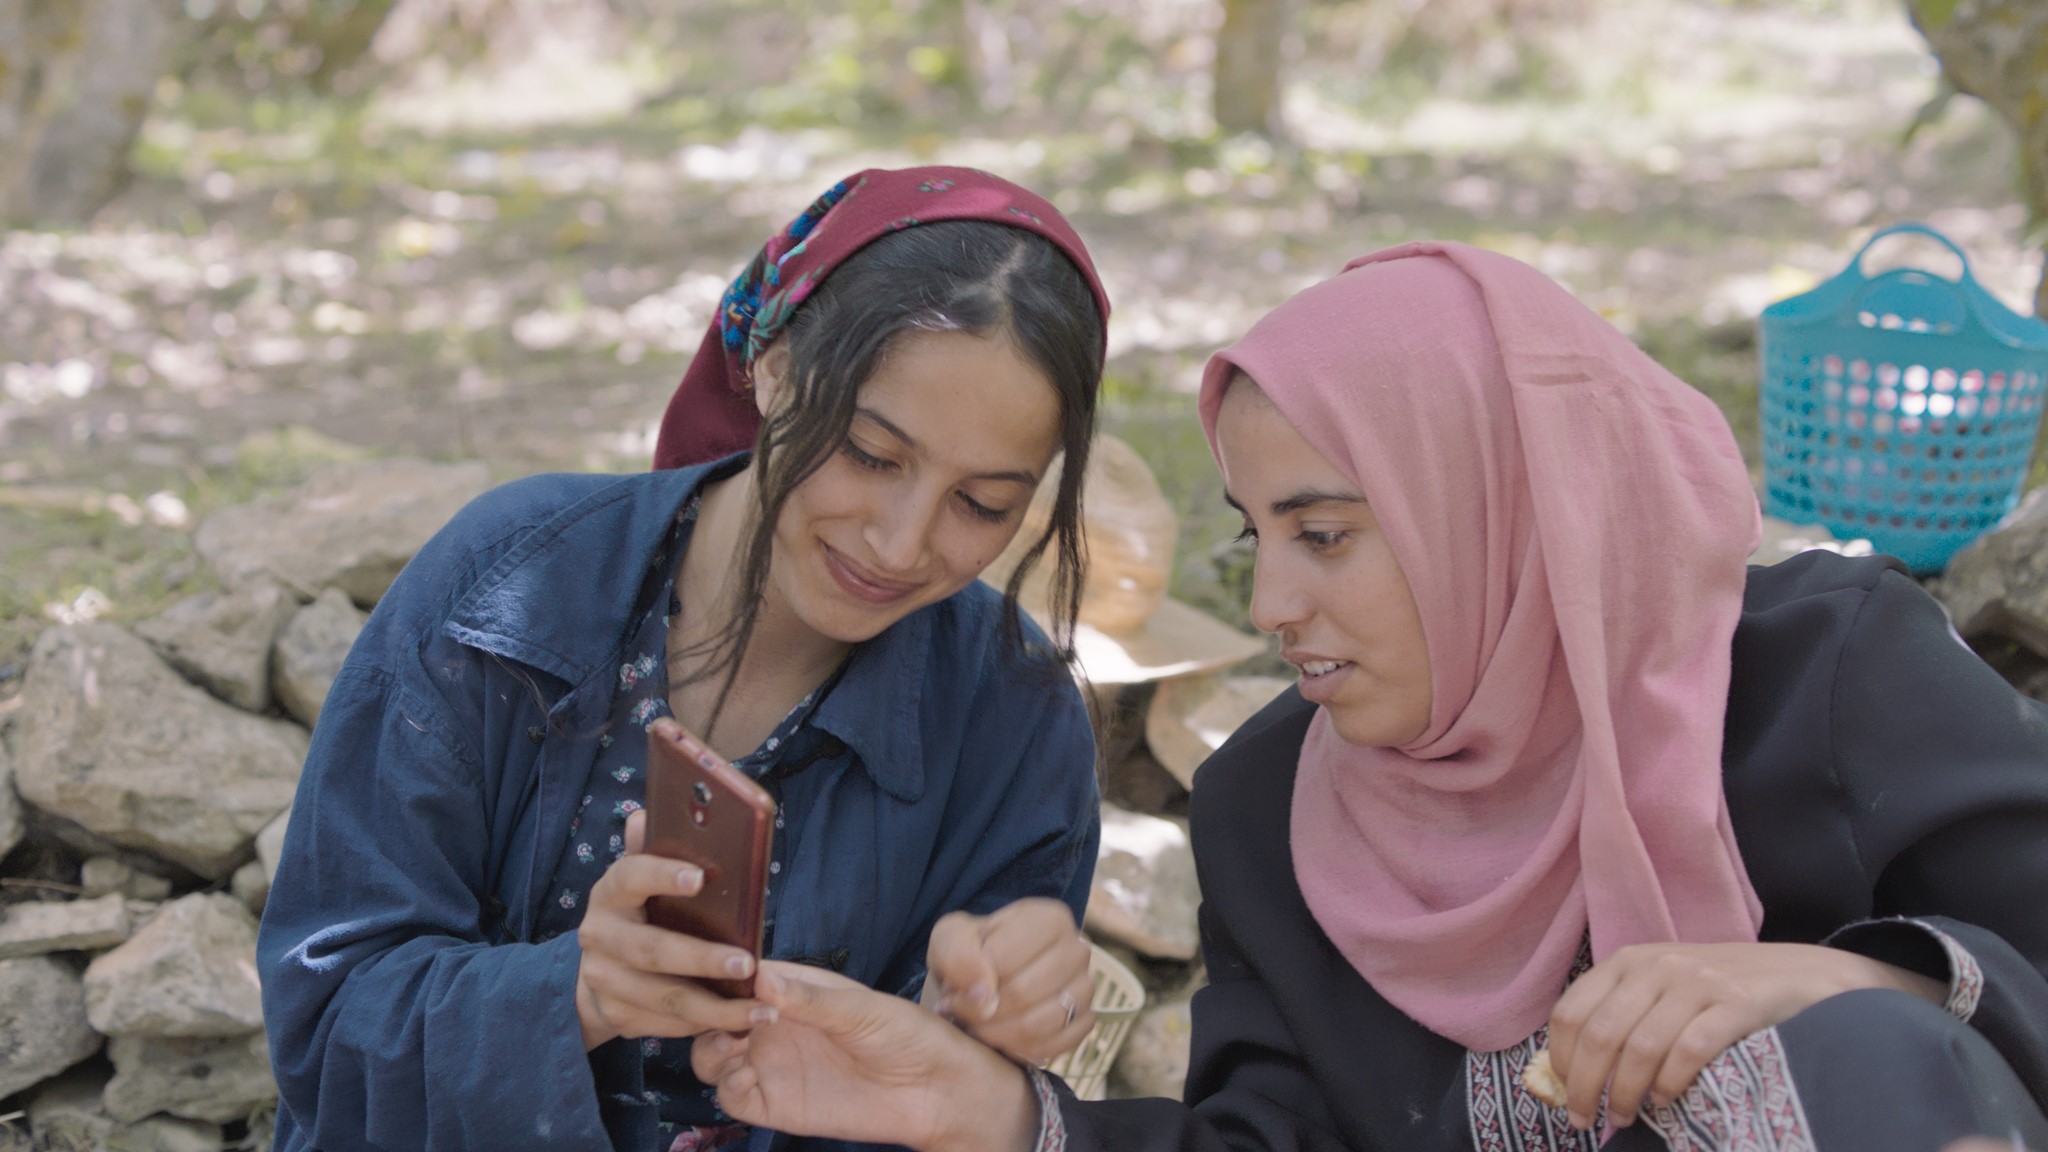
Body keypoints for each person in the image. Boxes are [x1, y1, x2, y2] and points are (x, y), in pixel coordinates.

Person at [679, 242, 2048, 1152]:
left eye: (1325, 534)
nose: (1273, 606)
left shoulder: (1827, 675)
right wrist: (992, 1114)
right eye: (1254, 537)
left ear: (1502, 510)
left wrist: (1847, 980)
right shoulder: (1274, 803)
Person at [256, 167, 1118, 1152]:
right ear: (775, 366)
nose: (898, 542)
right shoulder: (503, 588)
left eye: (982, 505)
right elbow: (324, 1031)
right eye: (870, 454)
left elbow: (973, 1100)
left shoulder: (1011, 716)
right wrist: (574, 992)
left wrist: (996, 1028)